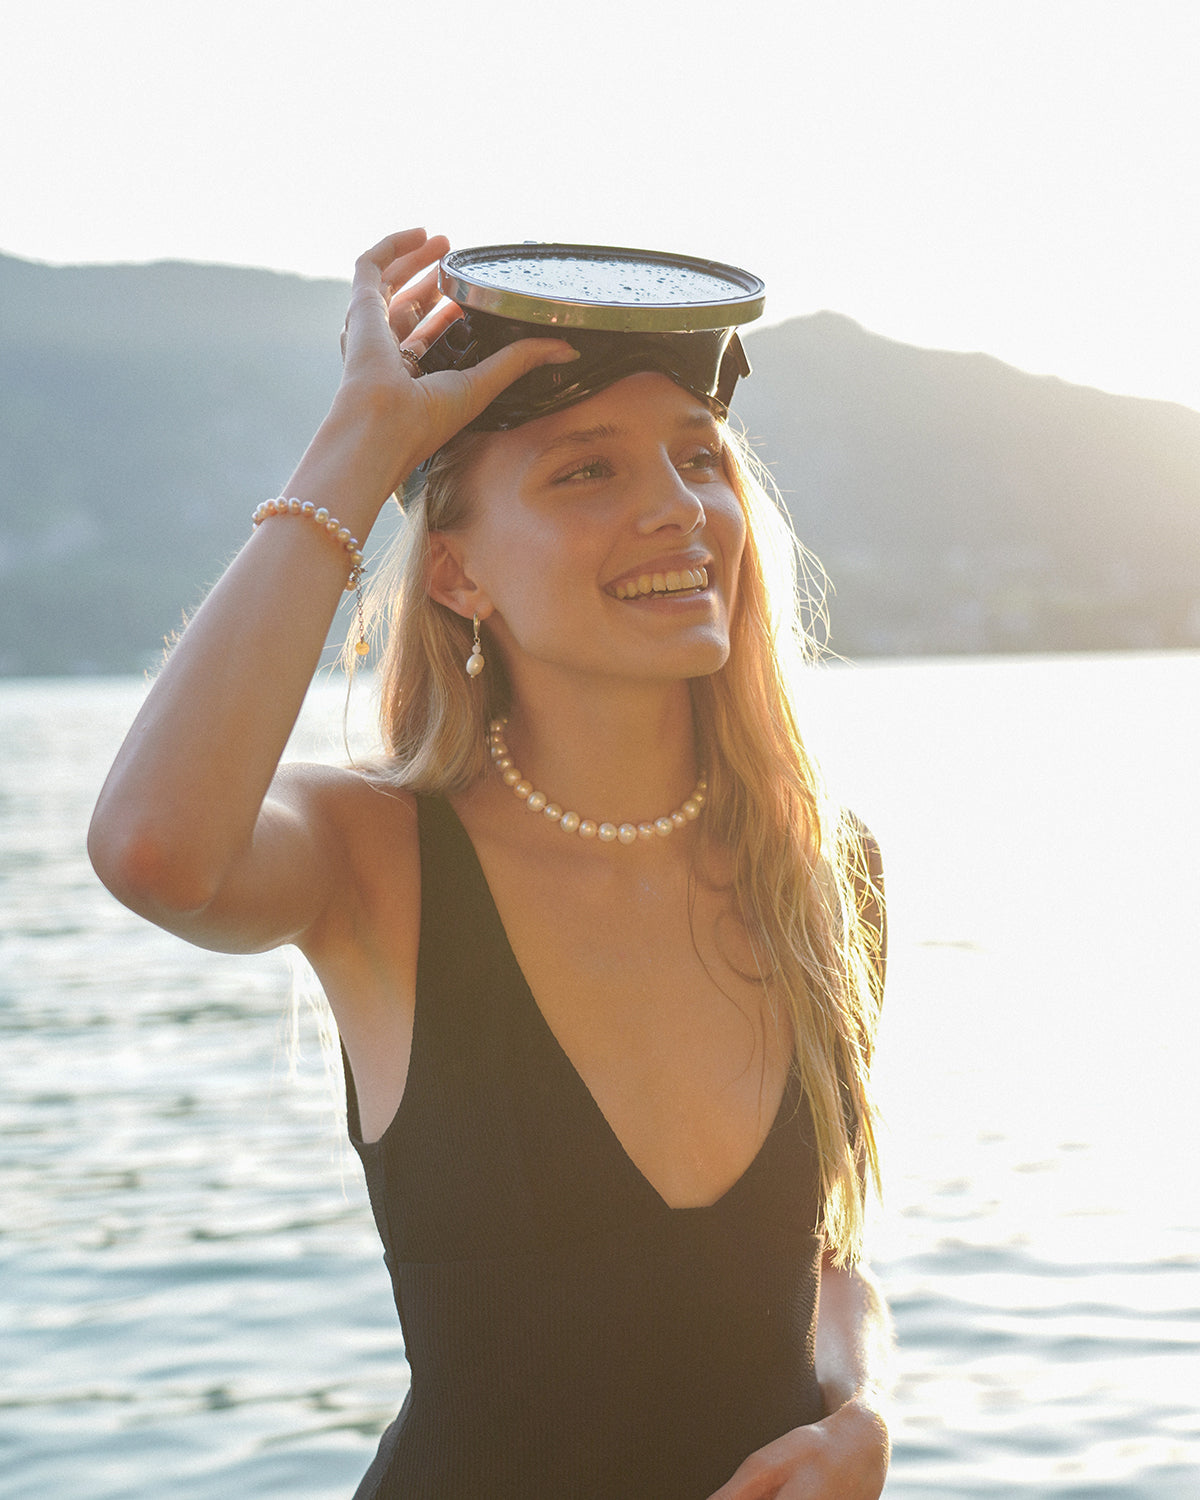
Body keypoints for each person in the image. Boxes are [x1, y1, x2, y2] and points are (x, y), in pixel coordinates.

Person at [88, 227, 893, 1499]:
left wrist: (860, 1414)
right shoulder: (376, 860)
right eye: (585, 473)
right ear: (456, 572)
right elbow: (153, 851)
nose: (677, 508)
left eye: (699, 459)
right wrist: (360, 444)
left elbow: (825, 1257)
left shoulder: (825, 867)